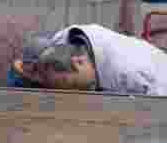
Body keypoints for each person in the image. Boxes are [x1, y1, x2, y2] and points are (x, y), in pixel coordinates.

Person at [9, 25, 167, 96]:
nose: (67, 91)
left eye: (69, 85)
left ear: (79, 62)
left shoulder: (131, 74)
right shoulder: (62, 41)